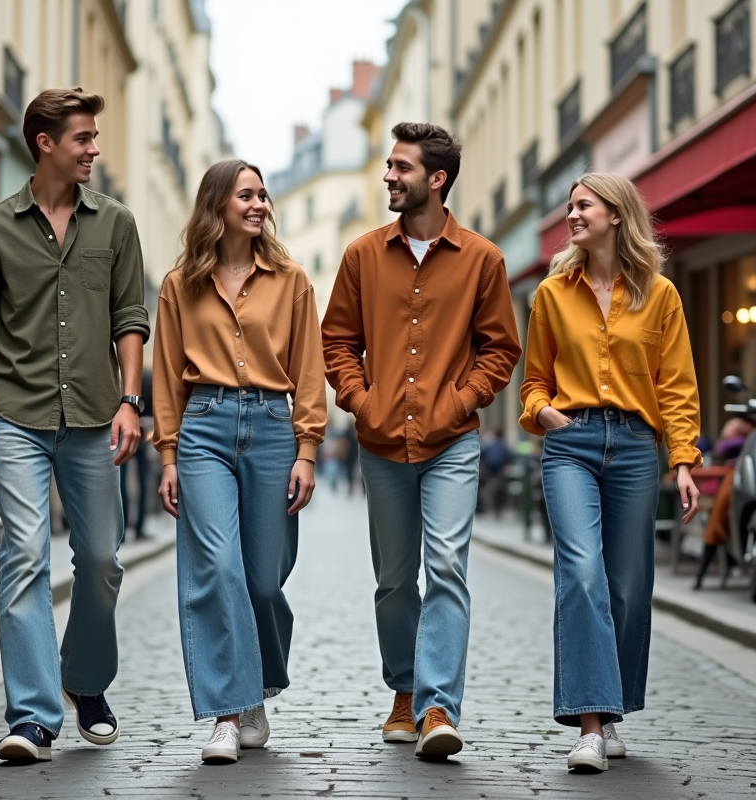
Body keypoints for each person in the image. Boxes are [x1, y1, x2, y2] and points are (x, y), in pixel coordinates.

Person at [0, 88, 149, 762]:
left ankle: (84, 679)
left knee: (101, 562)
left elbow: (130, 317)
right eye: (84, 139)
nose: (94, 149)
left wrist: (131, 400)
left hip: (96, 416)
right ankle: (33, 716)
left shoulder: (116, 224)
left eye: (94, 138)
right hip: (16, 415)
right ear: (45, 144)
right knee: (25, 556)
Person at [322, 122, 522, 760]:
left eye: (400, 167)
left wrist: (462, 400)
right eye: (387, 165)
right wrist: (362, 400)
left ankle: (437, 705)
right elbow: (336, 344)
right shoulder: (360, 256)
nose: (388, 176)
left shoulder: (484, 259)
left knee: (447, 568)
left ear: (436, 180)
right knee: (393, 581)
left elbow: (500, 349)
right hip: (381, 444)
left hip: (453, 443)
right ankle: (403, 691)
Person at [519, 172, 701, 774]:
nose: (571, 216)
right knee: (581, 572)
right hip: (570, 443)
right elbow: (535, 380)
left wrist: (683, 461)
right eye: (569, 206)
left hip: (633, 447)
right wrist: (543, 413)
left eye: (582, 206)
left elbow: (675, 386)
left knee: (627, 585)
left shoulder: (661, 295)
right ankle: (590, 727)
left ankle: (614, 709)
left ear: (617, 215)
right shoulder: (551, 293)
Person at [153, 159, 327, 765]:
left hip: (275, 429)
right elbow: (167, 376)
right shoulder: (180, 285)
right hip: (203, 426)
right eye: (246, 195)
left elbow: (309, 370)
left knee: (261, 579)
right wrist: (168, 454)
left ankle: (257, 684)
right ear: (217, 205)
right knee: (218, 569)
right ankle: (229, 712)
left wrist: (308, 449)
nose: (259, 204)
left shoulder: (291, 279)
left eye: (262, 194)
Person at [693, 415, 756, 590]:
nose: (726, 428)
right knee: (718, 518)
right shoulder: (734, 446)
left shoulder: (738, 445)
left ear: (745, 427)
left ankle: (703, 571)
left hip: (734, 494)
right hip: (731, 497)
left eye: (732, 425)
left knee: (716, 520)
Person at [120, 368, 154, 539]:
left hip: (137, 436)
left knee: (135, 482)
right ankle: (129, 527)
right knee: (125, 483)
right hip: (127, 436)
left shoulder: (147, 376)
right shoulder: (147, 376)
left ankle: (131, 527)